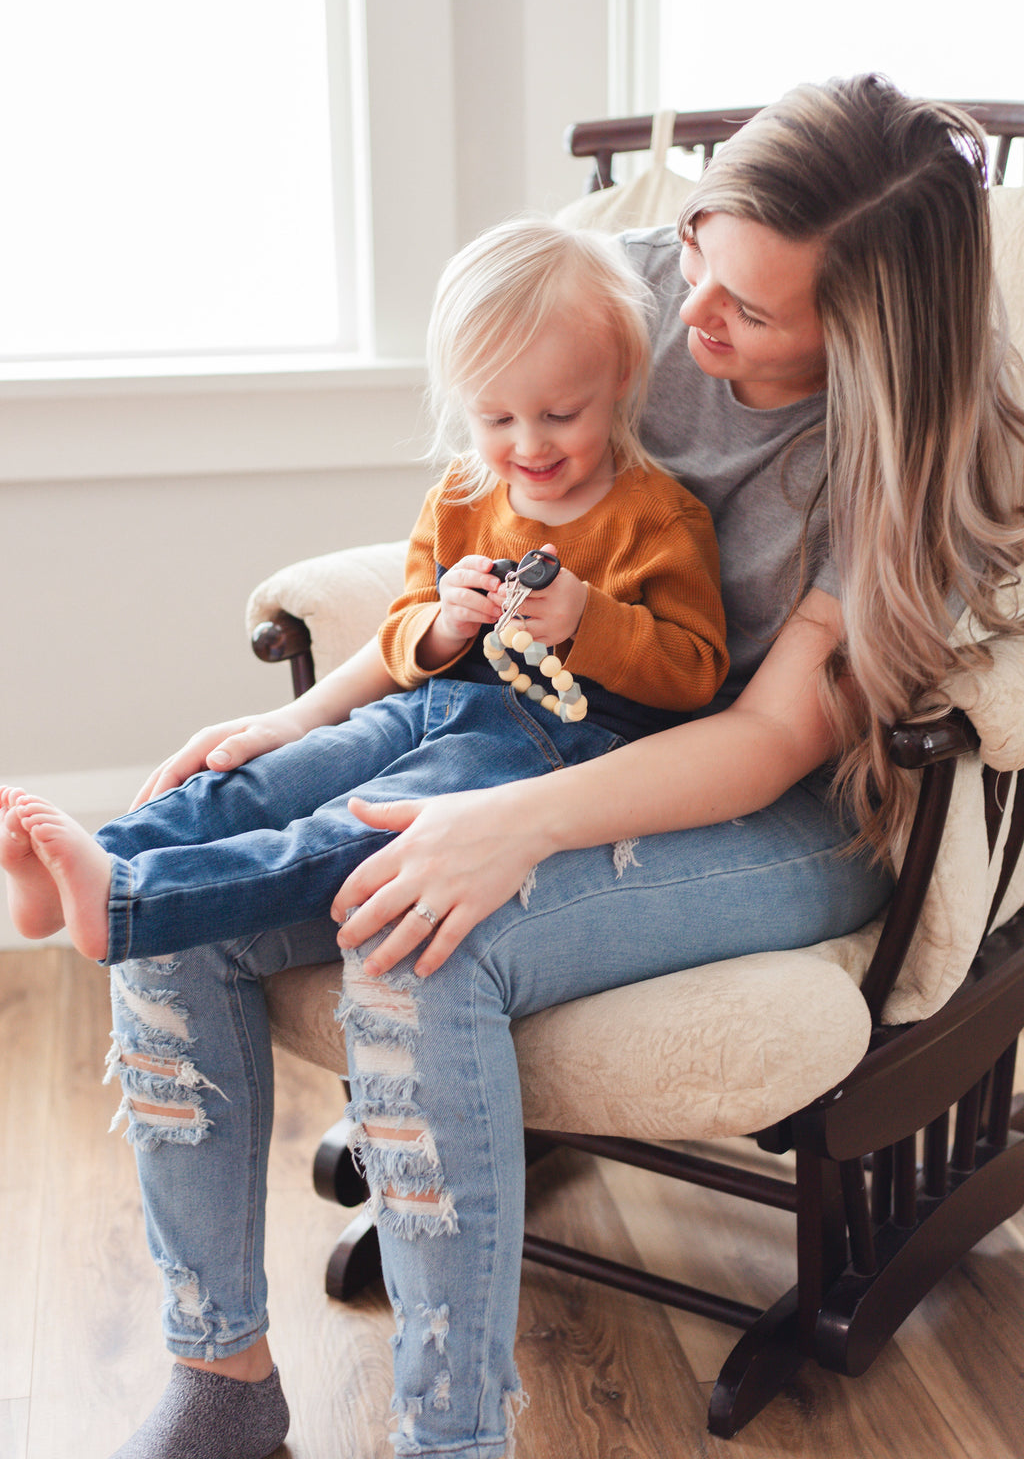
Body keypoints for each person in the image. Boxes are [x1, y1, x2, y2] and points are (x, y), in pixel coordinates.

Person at [10, 72, 1024, 1459]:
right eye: (701, 260)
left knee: (421, 936)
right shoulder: (641, 297)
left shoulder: (910, 444)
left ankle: (452, 1437)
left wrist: (516, 829)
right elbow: (473, 520)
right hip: (538, 727)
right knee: (181, 912)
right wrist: (299, 726)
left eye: (752, 310)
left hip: (776, 809)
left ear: (861, 333)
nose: (693, 316)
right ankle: (221, 1379)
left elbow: (767, 740)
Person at [1, 218, 727, 969]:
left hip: (547, 744)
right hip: (423, 705)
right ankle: (89, 863)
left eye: (560, 415)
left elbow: (697, 674)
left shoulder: (659, 519)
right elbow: (405, 628)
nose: (530, 446)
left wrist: (588, 620)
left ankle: (125, 901)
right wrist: (446, 624)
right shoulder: (461, 498)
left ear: (618, 380)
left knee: (351, 829)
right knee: (263, 784)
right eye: (497, 418)